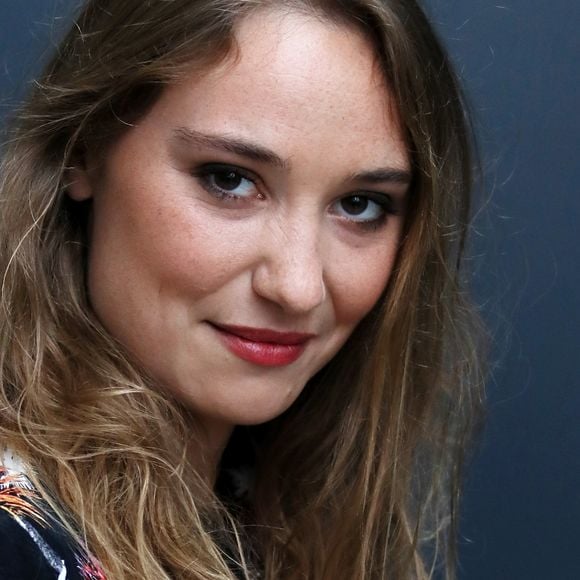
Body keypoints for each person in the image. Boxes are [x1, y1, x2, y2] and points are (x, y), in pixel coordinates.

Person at [0, 1, 485, 578]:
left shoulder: (273, 525)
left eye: (360, 205)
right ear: (85, 146)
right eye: (229, 179)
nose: (298, 286)